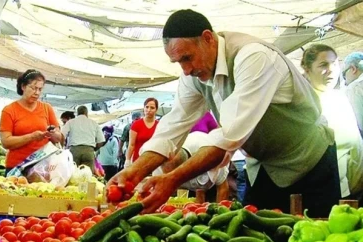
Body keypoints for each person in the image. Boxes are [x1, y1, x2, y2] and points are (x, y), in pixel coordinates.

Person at [110, 9, 339, 216]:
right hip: (264, 168)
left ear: (208, 38)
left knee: (318, 240)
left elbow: (227, 137)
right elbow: (172, 127)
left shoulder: (253, 57)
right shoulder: (194, 75)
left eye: (187, 58)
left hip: (310, 162)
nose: (186, 70)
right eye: (178, 62)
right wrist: (134, 172)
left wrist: (172, 179)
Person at [302, 44, 363, 200]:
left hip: (347, 191)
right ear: (307, 70)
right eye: (323, 65)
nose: (331, 70)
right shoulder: (301, 103)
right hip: (314, 193)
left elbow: (356, 146)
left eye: (334, 64)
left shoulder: (340, 99)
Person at [0, 69, 64, 172]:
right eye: (33, 88)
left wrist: (55, 135)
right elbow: (6, 142)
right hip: (16, 167)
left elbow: (59, 137)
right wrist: (31, 137)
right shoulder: (9, 110)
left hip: (43, 167)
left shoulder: (47, 108)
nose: (36, 93)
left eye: (40, 89)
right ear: (23, 86)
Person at [158, 131, 230, 202]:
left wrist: (220, 209)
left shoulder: (211, 155)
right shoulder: (160, 163)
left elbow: (222, 188)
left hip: (211, 179)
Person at [62, 105, 104, 172]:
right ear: (87, 113)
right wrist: (94, 148)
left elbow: (62, 135)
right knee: (88, 175)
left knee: (73, 174)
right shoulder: (94, 123)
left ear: (77, 113)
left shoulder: (71, 122)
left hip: (74, 151)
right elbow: (101, 141)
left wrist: (62, 146)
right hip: (89, 151)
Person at [127, 98, 159, 164]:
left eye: (152, 108)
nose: (149, 110)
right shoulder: (136, 124)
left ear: (156, 110)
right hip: (137, 161)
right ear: (143, 108)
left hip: (154, 162)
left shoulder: (160, 125)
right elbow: (131, 145)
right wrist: (127, 160)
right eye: (147, 107)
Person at [343, 52, 363, 134]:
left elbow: (360, 124)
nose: (345, 81)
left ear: (353, 68)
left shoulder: (354, 88)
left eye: (344, 74)